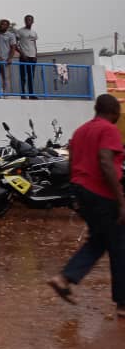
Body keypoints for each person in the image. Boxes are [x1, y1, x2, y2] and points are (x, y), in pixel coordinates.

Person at [48, 94, 125, 316]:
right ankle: (123, 303)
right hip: (101, 193)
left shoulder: (80, 131)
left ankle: (64, 279)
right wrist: (120, 200)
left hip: (81, 190)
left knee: (100, 240)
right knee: (119, 245)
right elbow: (105, 162)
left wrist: (76, 193)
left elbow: (72, 163)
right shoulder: (108, 129)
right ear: (114, 112)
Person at [16, 15, 39, 99]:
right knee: (23, 76)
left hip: (32, 58)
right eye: (27, 20)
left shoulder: (34, 33)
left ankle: (31, 94)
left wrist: (36, 55)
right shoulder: (20, 31)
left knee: (31, 76)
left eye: (30, 20)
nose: (28, 21)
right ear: (24, 21)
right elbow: (15, 45)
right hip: (24, 57)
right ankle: (23, 94)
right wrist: (22, 54)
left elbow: (34, 44)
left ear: (33, 21)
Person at [0, 19, 18, 93]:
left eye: (4, 24)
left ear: (7, 26)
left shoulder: (11, 35)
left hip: (5, 60)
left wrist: (10, 58)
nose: (1, 26)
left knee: (5, 77)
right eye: (1, 24)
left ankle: (5, 93)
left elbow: (13, 47)